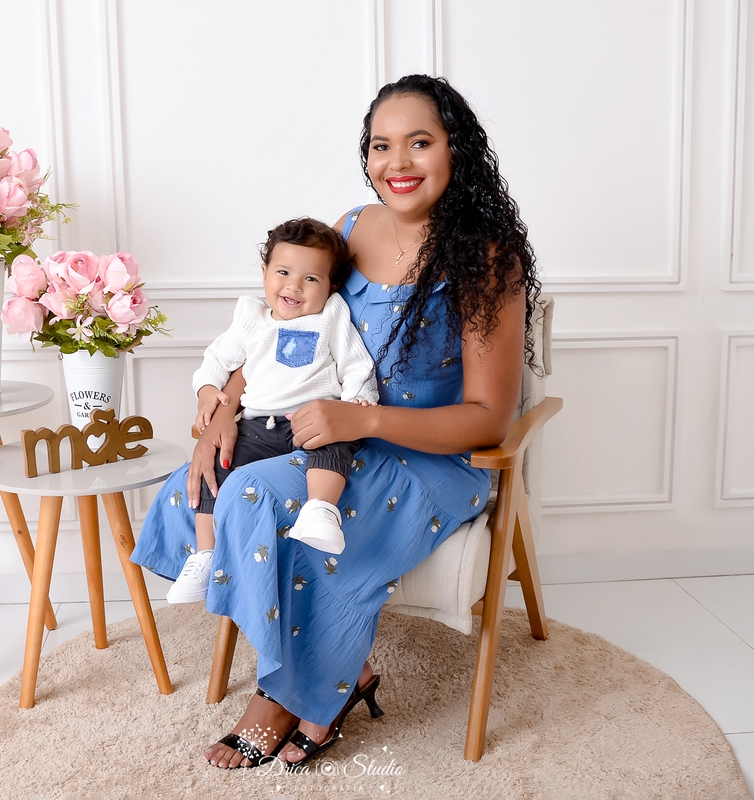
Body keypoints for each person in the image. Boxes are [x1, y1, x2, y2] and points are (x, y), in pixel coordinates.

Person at [131, 74, 541, 771]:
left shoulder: (486, 257)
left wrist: (361, 416)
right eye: (382, 145)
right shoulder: (351, 226)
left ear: (457, 149)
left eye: (420, 142)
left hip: (428, 457)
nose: (398, 163)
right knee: (192, 486)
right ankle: (345, 670)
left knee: (256, 498)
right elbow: (287, 325)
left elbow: (488, 418)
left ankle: (289, 694)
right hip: (324, 436)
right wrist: (224, 411)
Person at [164, 218, 380, 604]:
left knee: (332, 448)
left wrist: (358, 403)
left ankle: (320, 511)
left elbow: (355, 364)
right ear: (264, 274)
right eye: (283, 272)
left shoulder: (331, 315)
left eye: (311, 279)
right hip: (256, 425)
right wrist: (208, 390)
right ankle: (205, 554)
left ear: (331, 285)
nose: (294, 286)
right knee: (218, 466)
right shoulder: (251, 317)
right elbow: (217, 358)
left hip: (313, 418)